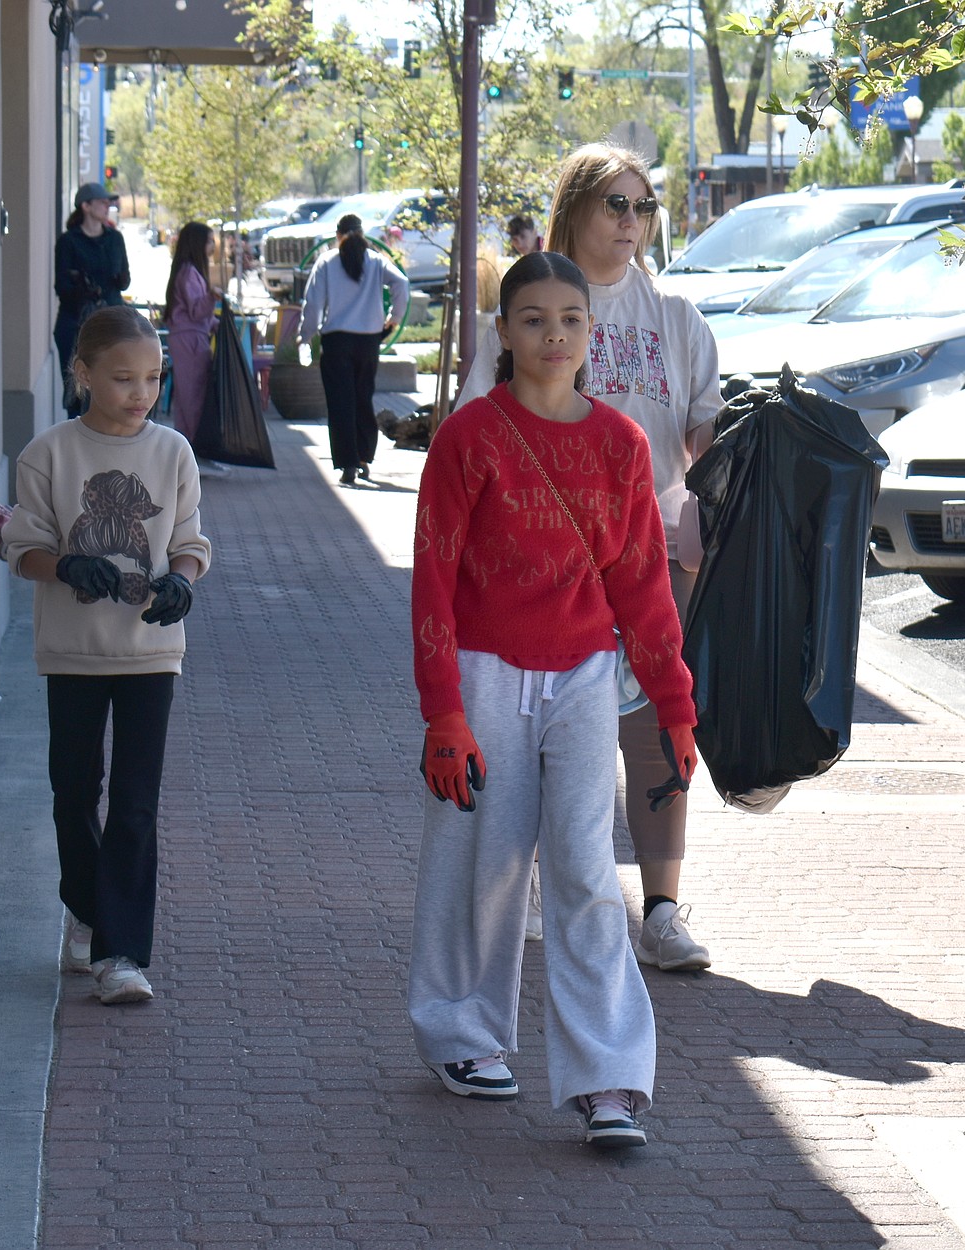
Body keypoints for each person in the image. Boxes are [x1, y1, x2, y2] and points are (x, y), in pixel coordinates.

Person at [408, 251, 697, 1149]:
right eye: (533, 319)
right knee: (482, 858)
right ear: (503, 332)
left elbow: (644, 586)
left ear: (590, 332)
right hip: (487, 674)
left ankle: (608, 1079)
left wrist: (675, 705)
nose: (554, 335)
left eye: (570, 318)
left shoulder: (621, 445)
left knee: (582, 869)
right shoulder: (470, 438)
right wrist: (444, 712)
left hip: (581, 679)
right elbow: (434, 580)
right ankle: (462, 1032)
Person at [458, 143, 722, 972]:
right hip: (545, 564)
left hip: (655, 554)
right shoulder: (534, 307)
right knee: (539, 731)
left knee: (654, 729)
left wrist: (703, 504)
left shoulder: (675, 314)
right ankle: (525, 884)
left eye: (643, 206)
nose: (632, 222)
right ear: (574, 206)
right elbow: (479, 428)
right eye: (617, 204)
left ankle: (664, 911)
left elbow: (704, 426)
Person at [0, 305, 212, 1005]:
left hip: (152, 651)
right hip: (73, 653)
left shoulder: (173, 452)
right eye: (124, 378)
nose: (141, 393)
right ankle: (88, 912)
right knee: (73, 793)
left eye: (153, 377)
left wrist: (182, 579)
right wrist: (64, 567)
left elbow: (189, 539)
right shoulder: (49, 454)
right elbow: (20, 548)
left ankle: (120, 953)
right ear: (83, 372)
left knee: (135, 803)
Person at [298, 213, 410, 486]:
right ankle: (363, 458)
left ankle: (346, 462)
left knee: (340, 402)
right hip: (368, 340)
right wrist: (394, 317)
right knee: (363, 397)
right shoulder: (375, 261)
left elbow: (312, 305)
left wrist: (305, 335)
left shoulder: (326, 262)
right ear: (361, 234)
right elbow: (402, 284)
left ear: (338, 236)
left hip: (336, 340)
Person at [54, 182, 131, 417]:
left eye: (109, 202)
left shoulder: (115, 238)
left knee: (111, 387)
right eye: (103, 202)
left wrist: (120, 279)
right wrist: (82, 288)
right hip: (75, 323)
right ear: (86, 206)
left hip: (111, 323)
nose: (108, 206)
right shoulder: (69, 241)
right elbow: (62, 286)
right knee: (77, 391)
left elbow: (125, 280)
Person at [164, 221, 226, 450]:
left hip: (190, 336)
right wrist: (212, 297)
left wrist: (214, 323)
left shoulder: (188, 271)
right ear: (197, 243)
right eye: (209, 241)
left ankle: (189, 448)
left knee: (188, 395)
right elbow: (197, 310)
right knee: (192, 397)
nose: (212, 246)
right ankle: (192, 449)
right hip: (189, 340)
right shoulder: (189, 272)